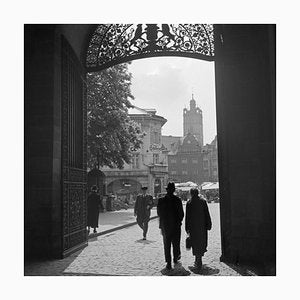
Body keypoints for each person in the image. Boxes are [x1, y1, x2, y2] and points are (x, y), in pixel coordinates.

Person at [157, 182, 184, 271]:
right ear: (173, 190)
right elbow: (181, 213)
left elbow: (159, 213)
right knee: (176, 244)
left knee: (167, 244)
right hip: (176, 226)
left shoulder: (161, 200)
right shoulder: (177, 200)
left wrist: (162, 223)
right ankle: (175, 258)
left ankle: (168, 262)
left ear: (167, 190)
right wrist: (179, 221)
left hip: (165, 226)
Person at [185, 188, 212, 273]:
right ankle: (199, 259)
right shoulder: (203, 201)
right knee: (201, 242)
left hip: (193, 227)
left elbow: (187, 217)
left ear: (191, 194)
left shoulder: (189, 203)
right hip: (202, 226)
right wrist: (209, 224)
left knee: (195, 243)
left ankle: (197, 259)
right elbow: (207, 213)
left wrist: (187, 228)